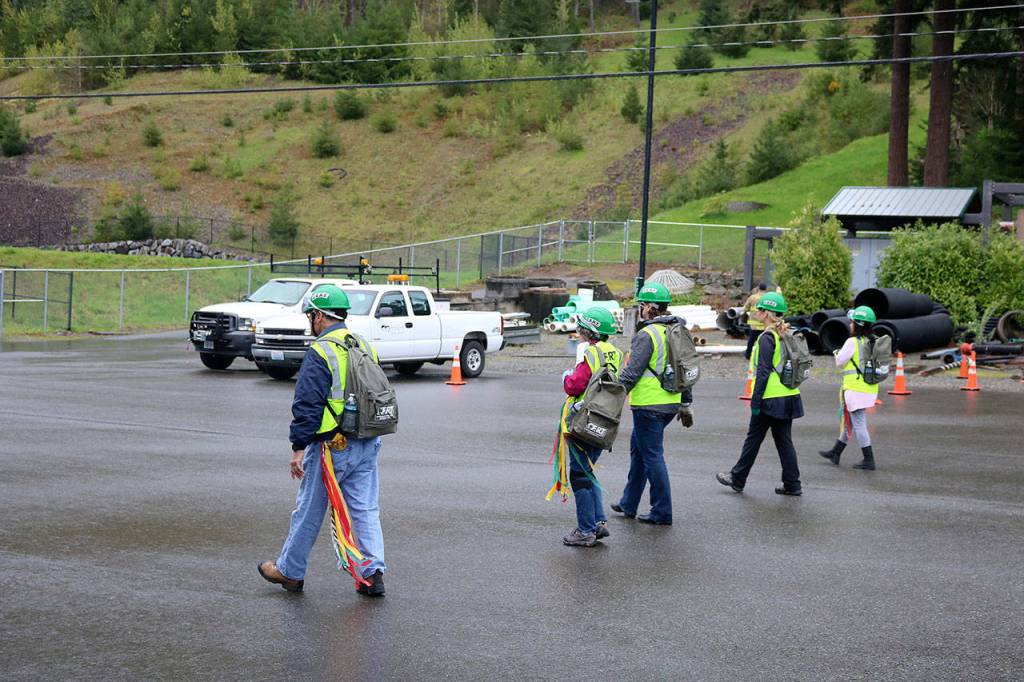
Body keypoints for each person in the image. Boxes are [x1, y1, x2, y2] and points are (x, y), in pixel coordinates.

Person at [258, 285, 387, 597]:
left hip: (331, 447)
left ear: (318, 315)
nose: (310, 321)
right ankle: (372, 574)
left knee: (309, 510)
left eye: (310, 315)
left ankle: (289, 571)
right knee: (365, 509)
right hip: (367, 441)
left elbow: (307, 404)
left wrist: (298, 447)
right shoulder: (363, 344)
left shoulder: (321, 350)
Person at [609, 281, 693, 526]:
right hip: (670, 403)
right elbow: (686, 368)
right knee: (639, 450)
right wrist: (686, 402)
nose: (640, 309)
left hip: (649, 406)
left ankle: (662, 511)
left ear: (648, 307)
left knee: (652, 456)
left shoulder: (646, 334)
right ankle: (629, 502)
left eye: (641, 305)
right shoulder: (676, 330)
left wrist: (611, 398)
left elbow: (631, 373)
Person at [716, 291, 804, 496]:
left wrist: (756, 402)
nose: (756, 311)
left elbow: (763, 372)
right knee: (784, 441)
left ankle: (737, 478)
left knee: (754, 438)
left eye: (760, 309)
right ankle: (793, 483)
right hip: (789, 395)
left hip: (770, 399)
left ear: (767, 313)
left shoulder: (767, 337)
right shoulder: (787, 333)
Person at [559, 306, 624, 547]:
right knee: (588, 470)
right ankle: (598, 522)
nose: (578, 332)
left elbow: (575, 385)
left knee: (579, 475)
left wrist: (566, 377)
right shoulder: (615, 352)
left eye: (581, 328)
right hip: (605, 418)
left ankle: (585, 529)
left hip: (585, 420)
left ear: (588, 331)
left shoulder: (591, 353)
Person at [819, 306, 878, 470]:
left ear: (857, 324)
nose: (850, 324)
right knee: (850, 422)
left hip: (854, 389)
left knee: (858, 424)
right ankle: (835, 452)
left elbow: (840, 362)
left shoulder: (852, 342)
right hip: (869, 388)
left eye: (852, 322)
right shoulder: (872, 341)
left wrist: (837, 352)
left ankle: (869, 459)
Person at [743, 283, 768, 359]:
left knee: (751, 341)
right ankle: (761, 356)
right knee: (763, 342)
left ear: (758, 288)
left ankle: (748, 355)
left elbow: (745, 308)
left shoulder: (752, 297)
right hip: (764, 325)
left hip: (754, 326)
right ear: (765, 289)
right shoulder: (767, 298)